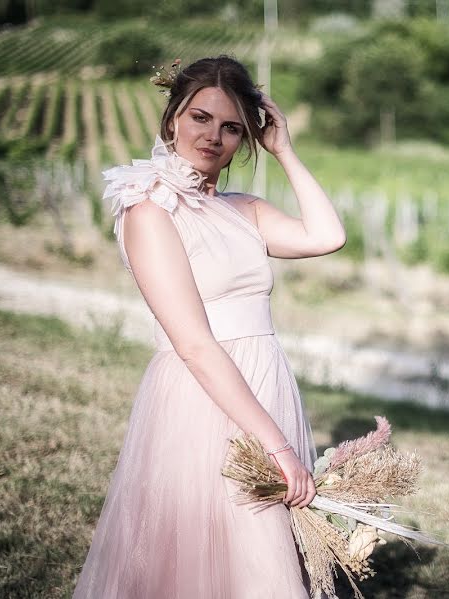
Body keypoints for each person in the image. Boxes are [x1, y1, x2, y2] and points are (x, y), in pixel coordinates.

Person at [72, 55, 346, 598]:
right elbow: (195, 344)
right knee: (205, 558)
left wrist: (284, 149)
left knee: (255, 558)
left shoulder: (245, 209)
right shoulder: (148, 211)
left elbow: (326, 235)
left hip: (262, 382)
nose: (212, 137)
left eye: (230, 128)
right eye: (200, 117)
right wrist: (278, 447)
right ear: (172, 117)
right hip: (202, 398)